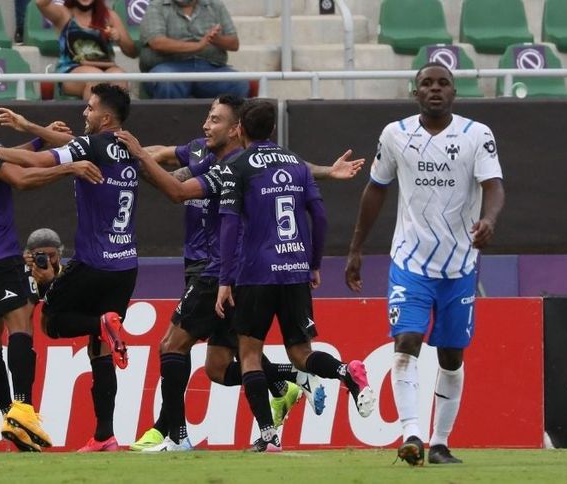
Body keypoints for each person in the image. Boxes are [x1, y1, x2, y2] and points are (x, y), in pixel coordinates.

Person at [122, 96, 367, 452]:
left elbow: (177, 190)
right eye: (208, 117)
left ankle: (175, 435)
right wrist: (328, 172)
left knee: (172, 345)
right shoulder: (207, 152)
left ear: (237, 129)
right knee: (219, 367)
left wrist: (136, 156)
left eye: (216, 120)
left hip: (223, 271)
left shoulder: (234, 166)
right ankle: (286, 386)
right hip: (253, 271)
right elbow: (294, 169)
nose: (207, 125)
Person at [0, 83, 139, 453]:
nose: (83, 113)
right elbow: (69, 143)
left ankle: (21, 410)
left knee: (51, 320)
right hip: (127, 264)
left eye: (89, 108)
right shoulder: (129, 148)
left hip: (92, 261)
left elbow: (38, 165)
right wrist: (31, 129)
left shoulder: (88, 146)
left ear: (105, 117)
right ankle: (105, 435)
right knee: (101, 349)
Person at [345, 62, 505, 466]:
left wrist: (489, 220)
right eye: (427, 83)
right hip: (410, 261)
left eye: (443, 83)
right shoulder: (395, 134)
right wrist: (356, 247)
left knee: (451, 355)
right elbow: (376, 189)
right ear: (415, 92)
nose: (435, 89)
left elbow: (493, 186)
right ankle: (411, 434)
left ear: (454, 92)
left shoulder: (477, 134)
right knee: (407, 342)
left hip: (459, 265)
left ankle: (440, 443)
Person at [214, 100, 376, 452]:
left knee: (249, 354)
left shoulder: (236, 166)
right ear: (273, 129)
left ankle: (268, 435)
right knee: (301, 353)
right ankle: (346, 372)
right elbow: (320, 216)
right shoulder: (296, 164)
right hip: (294, 270)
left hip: (255, 273)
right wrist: (313, 263)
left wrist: (225, 279)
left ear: (239, 129)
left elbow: (229, 225)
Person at [139, 0, 248, 99]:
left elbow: (234, 44)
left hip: (209, 67)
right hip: (170, 66)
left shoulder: (215, 5)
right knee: (165, 80)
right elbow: (157, 43)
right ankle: (170, 115)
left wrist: (216, 39)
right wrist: (198, 46)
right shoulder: (157, 5)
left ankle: (219, 115)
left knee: (238, 83)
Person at [37, 0, 138, 99]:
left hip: (106, 66)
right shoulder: (63, 14)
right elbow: (40, 3)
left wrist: (119, 38)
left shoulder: (109, 16)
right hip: (71, 69)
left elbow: (132, 52)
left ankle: (114, 111)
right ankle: (90, 111)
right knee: (95, 77)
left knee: (119, 77)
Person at [23, 227, 65, 298]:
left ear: (59, 254)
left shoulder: (71, 275)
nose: (48, 261)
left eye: (51, 255)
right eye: (41, 256)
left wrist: (51, 281)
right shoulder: (21, 278)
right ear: (29, 255)